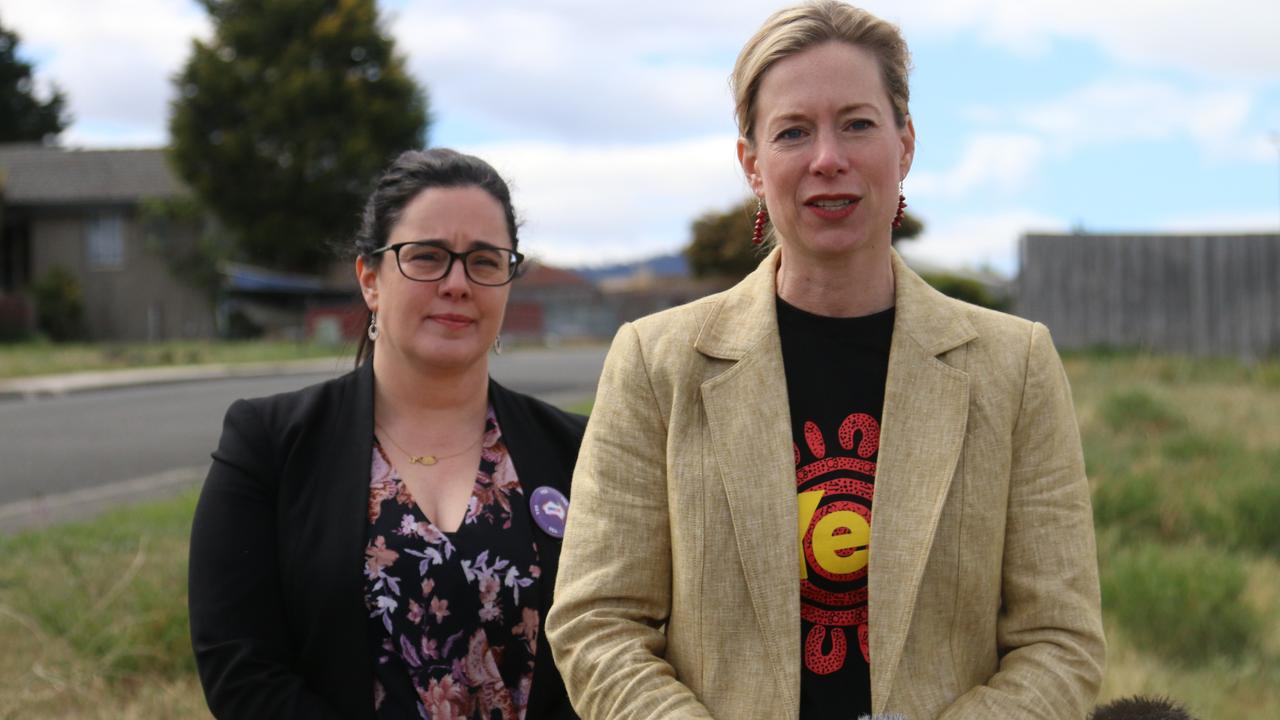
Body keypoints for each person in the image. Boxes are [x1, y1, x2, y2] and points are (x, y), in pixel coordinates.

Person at [545, 2, 1105, 719]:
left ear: (905, 145)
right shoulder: (656, 365)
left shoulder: (1014, 365)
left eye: (858, 124)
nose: (827, 158)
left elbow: (1060, 639)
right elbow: (598, 624)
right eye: (793, 132)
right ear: (752, 164)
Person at [189, 148, 586, 719]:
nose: (457, 283)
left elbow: (612, 644)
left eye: (484, 261)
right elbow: (240, 671)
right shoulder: (269, 445)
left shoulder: (577, 451)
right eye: (426, 257)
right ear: (370, 279)